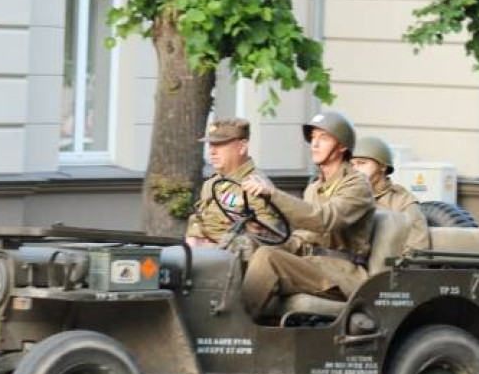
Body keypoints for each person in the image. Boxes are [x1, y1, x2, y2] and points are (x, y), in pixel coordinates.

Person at [238, 111, 375, 316]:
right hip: (310, 264)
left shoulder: (357, 184)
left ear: (342, 147)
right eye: (313, 138)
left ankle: (238, 329)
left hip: (339, 272)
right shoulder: (314, 187)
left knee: (269, 258)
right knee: (244, 245)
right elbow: (303, 238)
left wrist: (274, 195)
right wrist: (263, 236)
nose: (315, 144)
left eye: (324, 138)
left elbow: (324, 220)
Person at [185, 118, 279, 255]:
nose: (212, 152)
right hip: (200, 258)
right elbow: (198, 221)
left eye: (220, 145)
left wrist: (211, 249)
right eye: (211, 145)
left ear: (242, 147)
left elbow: (261, 241)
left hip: (231, 267)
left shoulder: (257, 186)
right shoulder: (211, 184)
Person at [351, 136, 431, 254]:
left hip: (382, 267)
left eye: (362, 163)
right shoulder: (342, 195)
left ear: (383, 166)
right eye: (351, 164)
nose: (355, 169)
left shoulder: (402, 201)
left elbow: (417, 248)